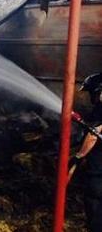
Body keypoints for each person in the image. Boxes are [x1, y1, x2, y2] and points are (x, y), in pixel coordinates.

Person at [72, 73, 102, 232]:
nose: (92, 97)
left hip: (99, 172)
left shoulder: (101, 110)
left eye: (93, 93)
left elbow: (93, 135)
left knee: (95, 199)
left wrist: (79, 156)